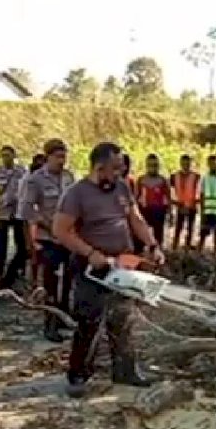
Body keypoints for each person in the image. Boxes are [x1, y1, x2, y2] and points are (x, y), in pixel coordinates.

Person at [53, 142, 164, 398]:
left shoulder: (122, 188)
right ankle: (78, 374)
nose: (118, 174)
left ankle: (125, 371)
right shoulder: (76, 194)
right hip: (91, 266)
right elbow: (61, 230)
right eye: (114, 169)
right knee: (89, 320)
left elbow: (136, 219)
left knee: (124, 318)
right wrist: (91, 253)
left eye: (121, 169)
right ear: (99, 167)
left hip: (122, 262)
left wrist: (152, 244)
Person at [26, 140, 75, 342]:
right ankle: (50, 324)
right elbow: (29, 210)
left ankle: (64, 317)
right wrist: (48, 226)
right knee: (51, 284)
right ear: (47, 157)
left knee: (69, 281)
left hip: (69, 239)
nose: (62, 161)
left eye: (64, 157)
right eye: (58, 157)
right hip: (48, 239)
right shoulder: (35, 180)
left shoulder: (69, 177)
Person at [0, 146, 27, 289]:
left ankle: (14, 273)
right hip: (2, 214)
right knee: (0, 248)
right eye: (3, 155)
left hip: (18, 213)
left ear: (14, 155)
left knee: (22, 246)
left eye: (8, 155)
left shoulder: (22, 172)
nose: (6, 158)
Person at [16, 152, 46, 289]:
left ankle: (37, 285)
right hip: (31, 221)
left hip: (37, 221)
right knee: (33, 255)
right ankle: (33, 285)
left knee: (39, 257)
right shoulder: (29, 181)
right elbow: (25, 208)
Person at [136, 154, 171, 249]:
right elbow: (136, 197)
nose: (153, 168)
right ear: (147, 166)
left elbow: (168, 197)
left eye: (155, 165)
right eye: (150, 165)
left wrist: (170, 212)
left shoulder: (162, 180)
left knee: (158, 233)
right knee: (142, 231)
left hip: (158, 210)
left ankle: (158, 251)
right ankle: (141, 250)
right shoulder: (141, 180)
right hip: (144, 209)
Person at [198, 155, 216, 257]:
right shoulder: (204, 179)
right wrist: (201, 210)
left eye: (215, 164)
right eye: (211, 164)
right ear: (208, 165)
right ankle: (199, 252)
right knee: (203, 233)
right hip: (207, 210)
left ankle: (215, 252)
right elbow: (201, 195)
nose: (213, 166)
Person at [170, 155, 200, 251]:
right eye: (183, 163)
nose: (185, 165)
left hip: (192, 206)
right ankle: (175, 247)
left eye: (187, 163)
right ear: (180, 163)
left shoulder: (196, 176)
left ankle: (187, 246)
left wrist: (197, 201)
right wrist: (174, 202)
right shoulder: (174, 176)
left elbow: (200, 191)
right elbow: (170, 191)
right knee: (178, 228)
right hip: (180, 206)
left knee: (190, 228)